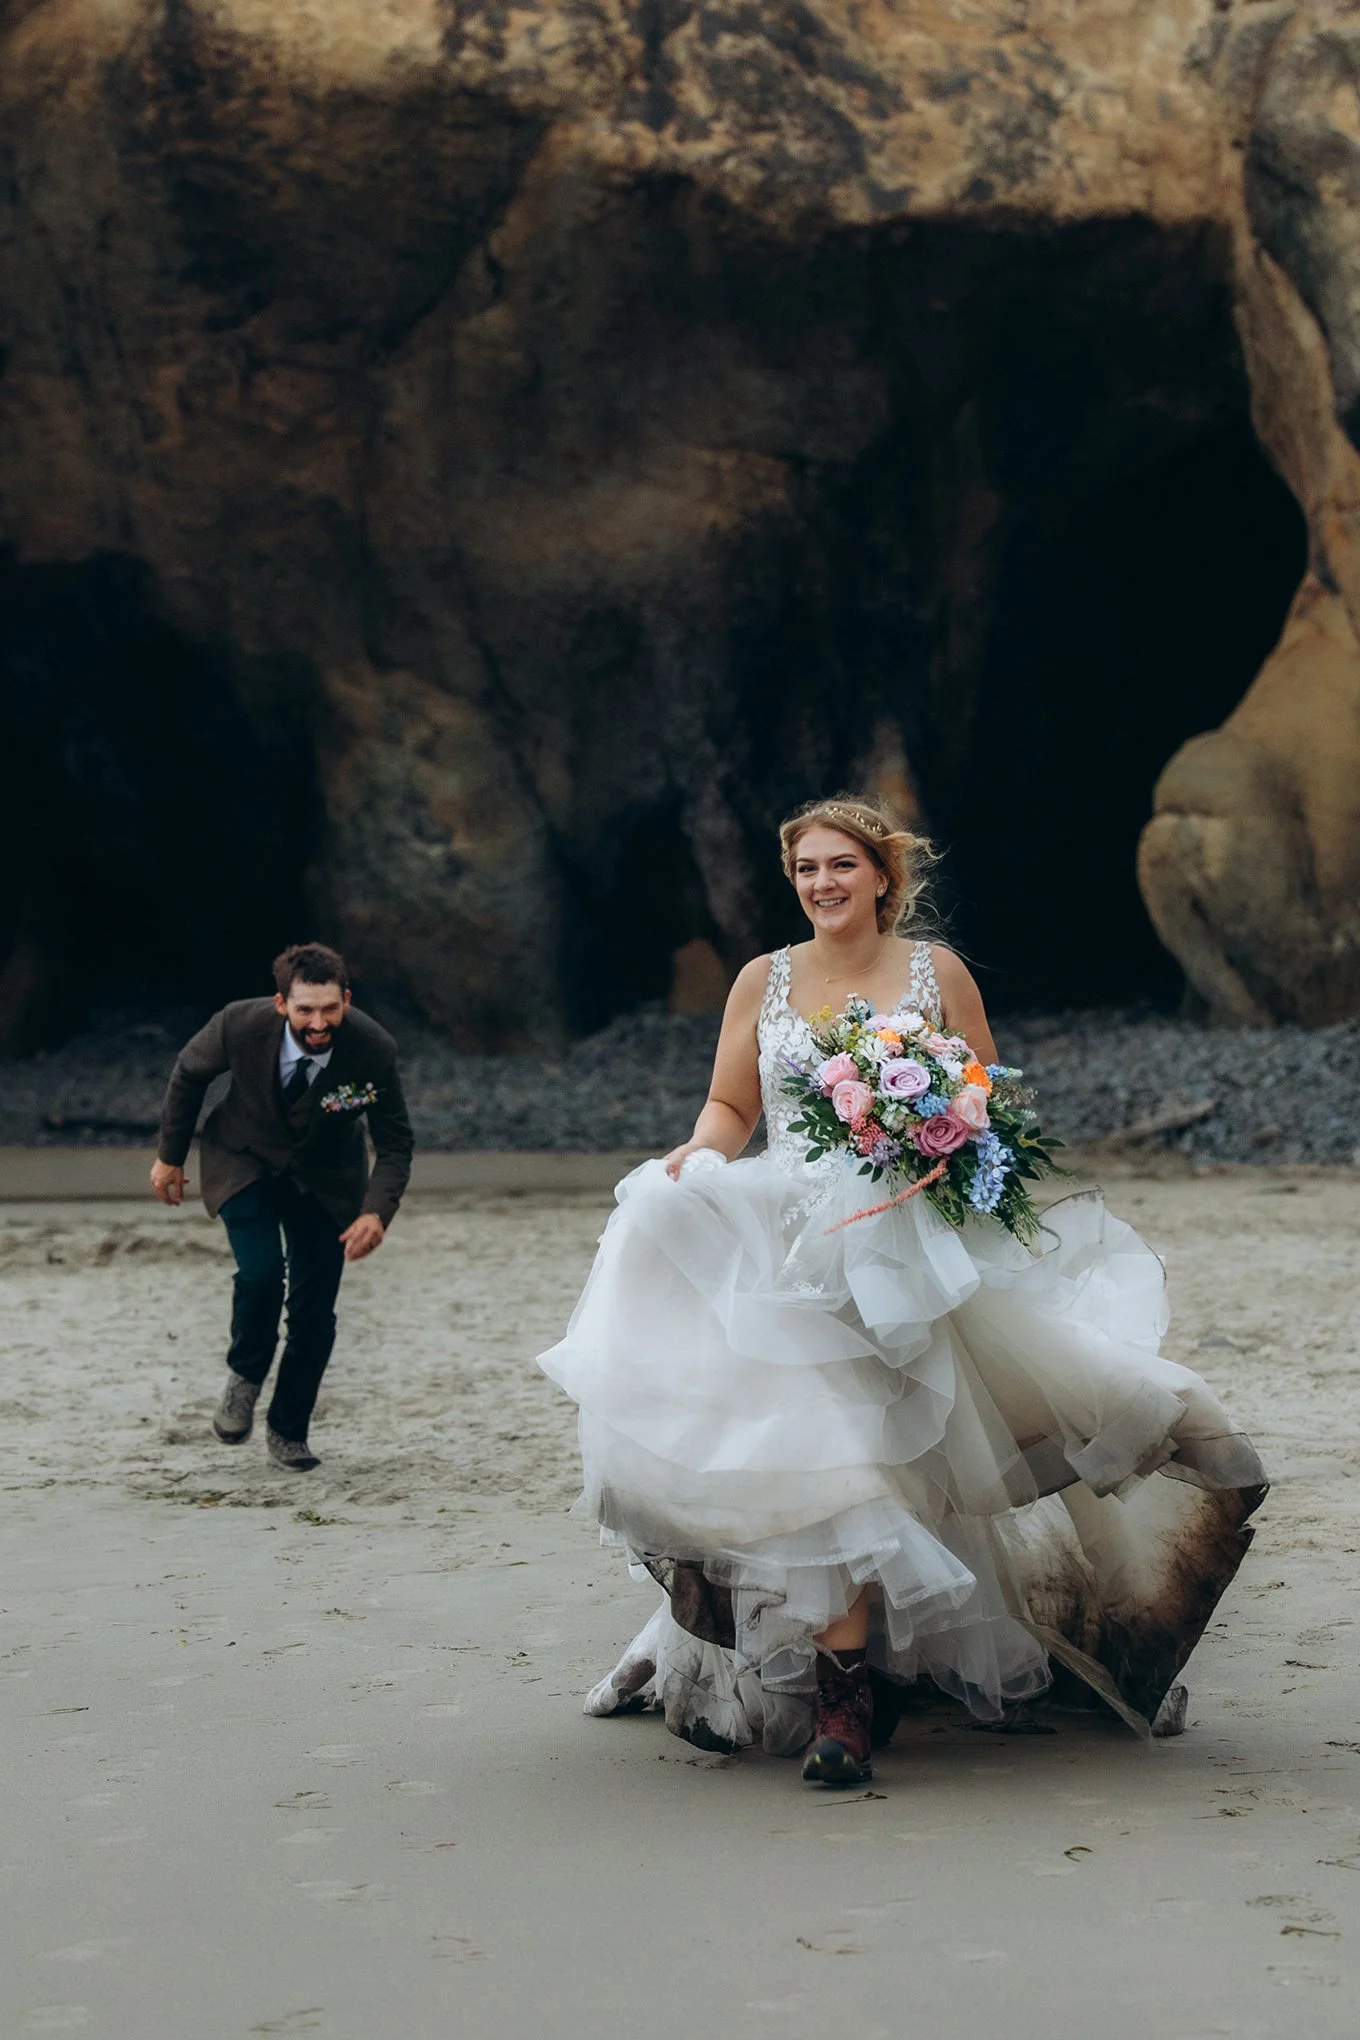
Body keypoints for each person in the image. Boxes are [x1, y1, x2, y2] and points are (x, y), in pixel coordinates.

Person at [540, 797, 1266, 1785]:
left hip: (911, 1251)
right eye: (806, 871)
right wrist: (694, 1163)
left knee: (901, 1461)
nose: (823, 884)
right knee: (826, 1461)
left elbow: (989, 1096)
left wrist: (936, 1127)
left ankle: (880, 1664)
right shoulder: (764, 978)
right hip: (792, 1252)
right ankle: (844, 1696)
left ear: (881, 874)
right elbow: (729, 1104)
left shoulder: (935, 973)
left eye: (840, 865)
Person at [152, 942, 413, 1470]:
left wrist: (374, 1213)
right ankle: (245, 1377)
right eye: (305, 1010)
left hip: (327, 1181)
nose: (319, 1022)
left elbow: (395, 1142)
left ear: (346, 999)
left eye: (330, 1009)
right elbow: (188, 1074)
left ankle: (288, 1429)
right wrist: (169, 1158)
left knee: (315, 1315)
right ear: (281, 1004)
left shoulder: (372, 1049)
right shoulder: (238, 1025)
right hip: (244, 1159)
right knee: (262, 1274)